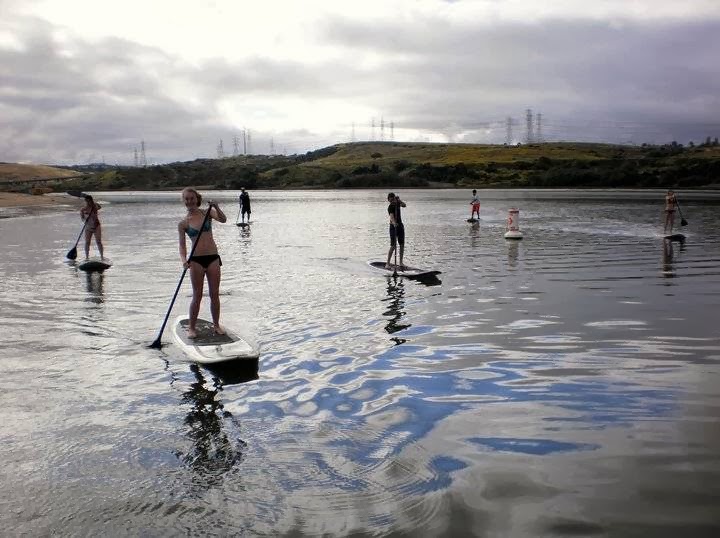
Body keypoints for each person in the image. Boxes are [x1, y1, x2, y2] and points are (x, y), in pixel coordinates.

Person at [178, 187, 227, 338]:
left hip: (212, 257)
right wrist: (184, 261)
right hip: (196, 261)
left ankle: (216, 325)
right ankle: (192, 328)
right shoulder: (183, 223)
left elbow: (223, 219)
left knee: (214, 294)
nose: (189, 201)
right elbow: (182, 245)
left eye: (192, 198)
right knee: (197, 296)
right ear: (184, 201)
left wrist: (217, 206)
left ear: (197, 199)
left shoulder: (207, 213)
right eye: (186, 199)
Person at [386, 192, 407, 270]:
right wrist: (394, 223)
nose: (392, 201)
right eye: (390, 200)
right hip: (393, 227)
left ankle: (401, 262)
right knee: (393, 245)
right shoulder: (390, 207)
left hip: (400, 226)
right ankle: (387, 263)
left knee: (401, 244)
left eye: (393, 199)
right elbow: (391, 216)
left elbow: (404, 205)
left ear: (395, 198)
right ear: (389, 200)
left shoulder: (398, 203)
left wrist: (400, 201)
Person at [80, 194, 104, 259]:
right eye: (86, 201)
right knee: (87, 242)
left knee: (98, 241)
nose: (88, 203)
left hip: (96, 226)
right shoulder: (83, 209)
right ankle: (87, 257)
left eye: (89, 201)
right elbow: (82, 218)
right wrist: (85, 220)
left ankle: (102, 256)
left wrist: (94, 203)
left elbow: (100, 207)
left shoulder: (95, 207)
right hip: (88, 227)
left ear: (91, 201)